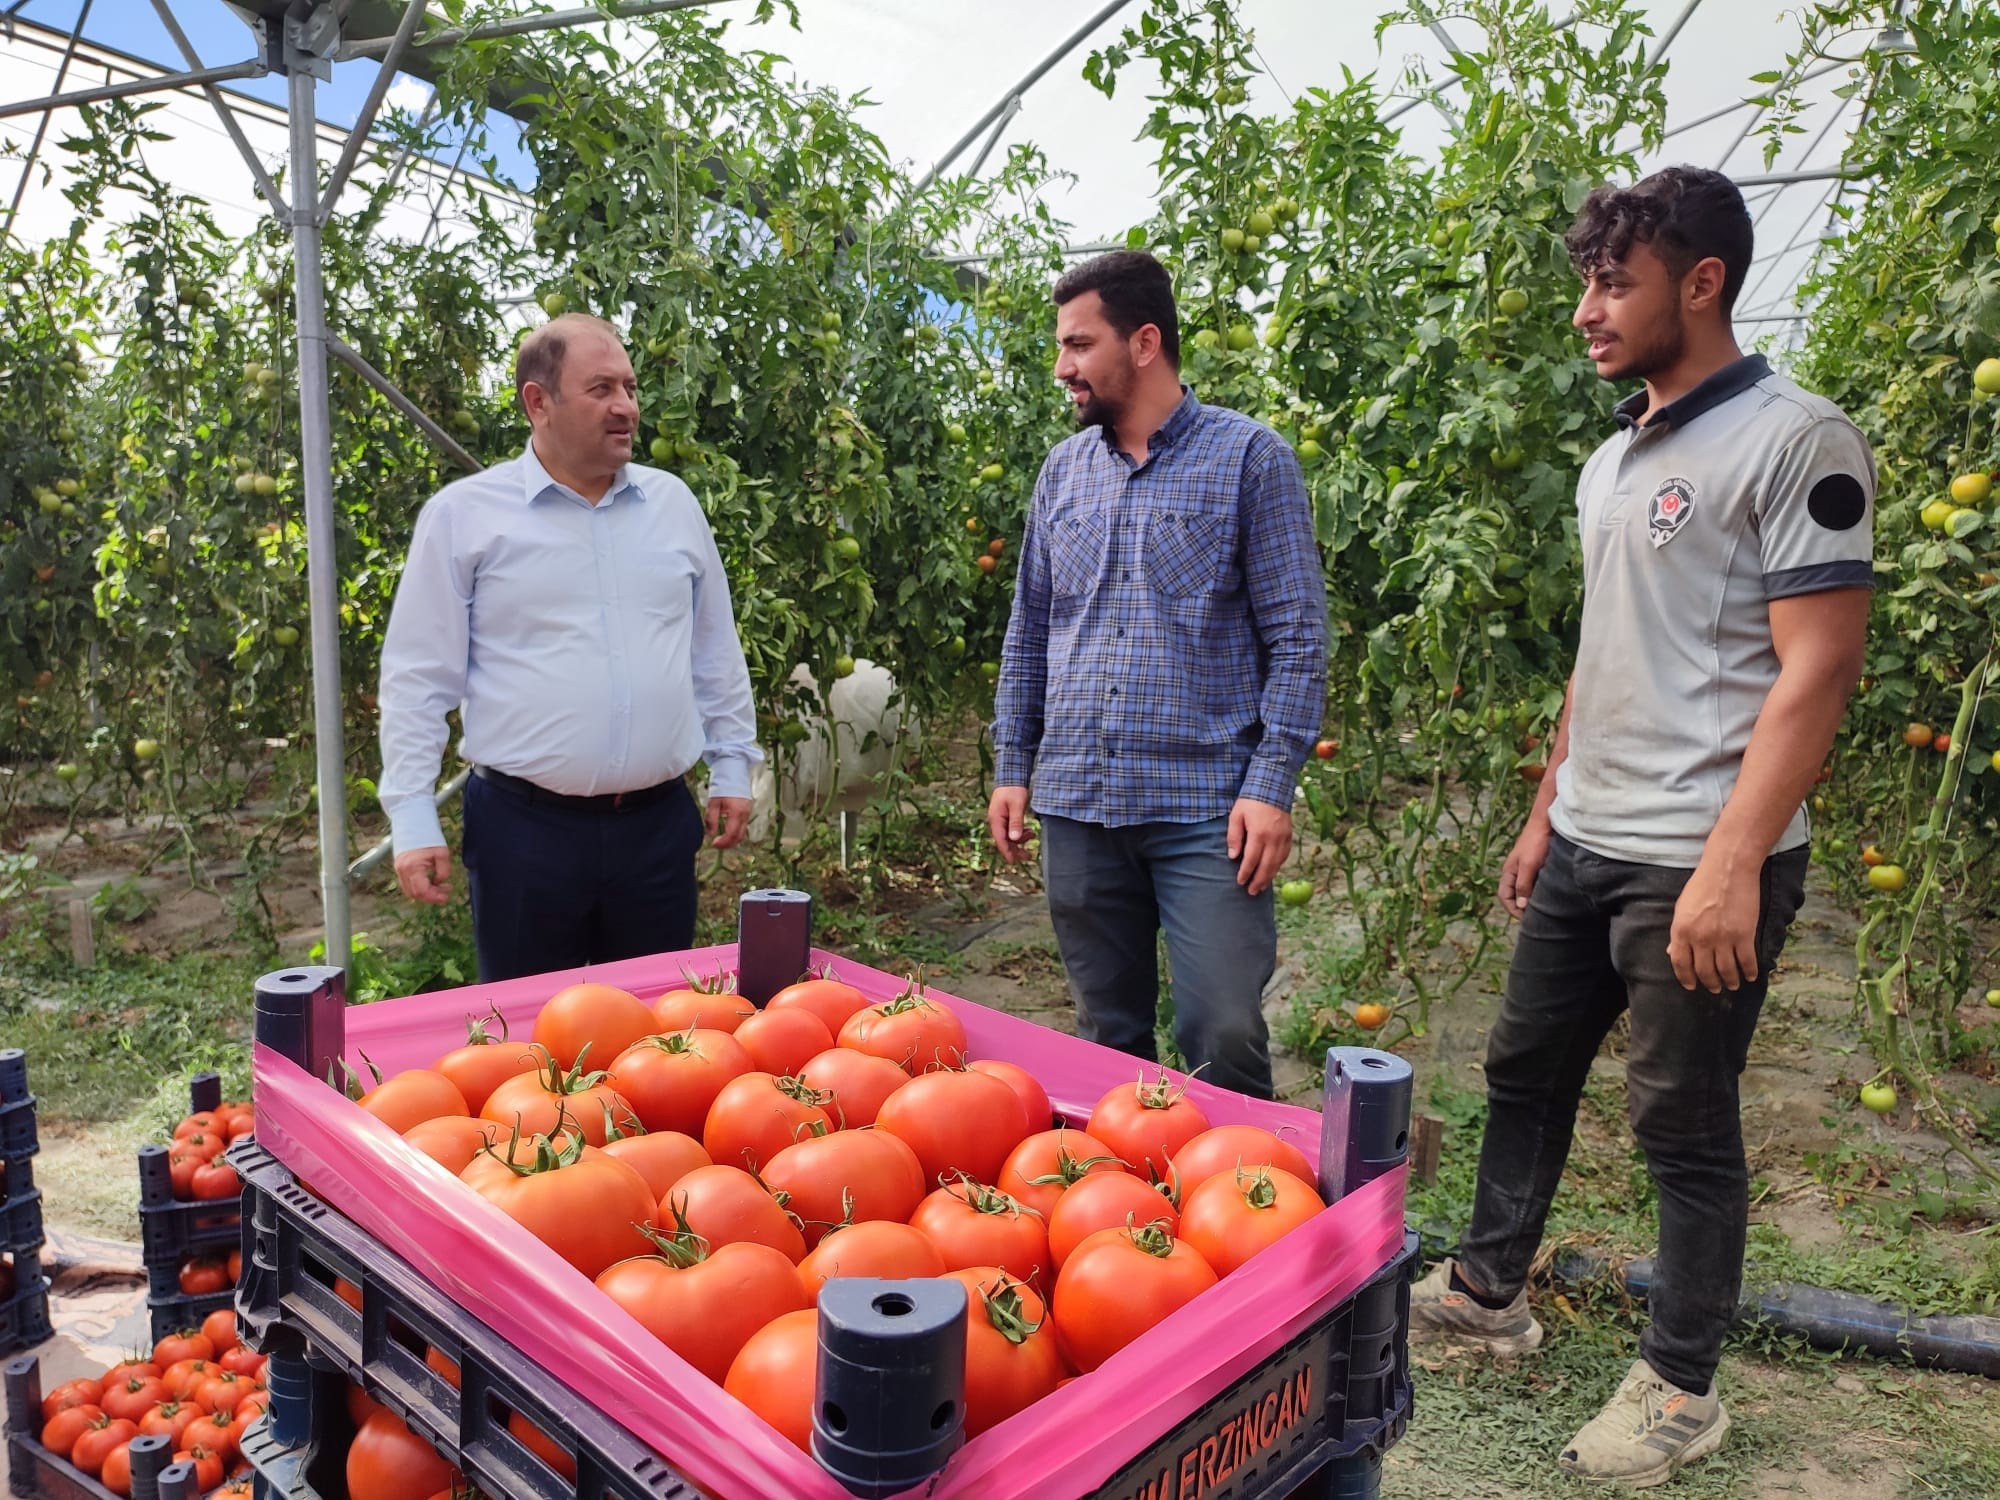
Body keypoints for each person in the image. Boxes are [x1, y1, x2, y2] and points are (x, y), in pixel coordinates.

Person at [1408, 167, 1875, 1488]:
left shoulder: (1795, 438)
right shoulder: (1613, 459)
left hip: (1698, 857)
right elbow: (1602, 649)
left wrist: (1732, 863)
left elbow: (1818, 668)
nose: (1586, 311)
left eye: (1615, 282)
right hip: (1592, 837)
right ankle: (1487, 1293)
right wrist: (1546, 802)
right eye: (1586, 282)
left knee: (1681, 1123)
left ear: (1702, 282)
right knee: (1522, 1070)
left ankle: (1680, 1388)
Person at [987, 250, 1327, 1100]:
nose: (1063, 367)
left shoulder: (1251, 459)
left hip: (1204, 807)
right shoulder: (1061, 474)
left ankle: (1245, 1210)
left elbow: (1297, 637)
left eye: (1078, 343)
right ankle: (1123, 1210)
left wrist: (1273, 783)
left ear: (1144, 343)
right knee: (1107, 1038)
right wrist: (1011, 764)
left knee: (1224, 1028)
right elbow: (1030, 629)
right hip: (1079, 798)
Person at [378, 313, 761, 981]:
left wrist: (732, 766)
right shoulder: (465, 517)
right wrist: (411, 816)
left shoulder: (673, 506)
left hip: (657, 827)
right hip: (525, 833)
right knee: (530, 1048)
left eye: (631, 388)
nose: (626, 408)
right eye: (602, 389)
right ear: (538, 402)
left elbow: (713, 651)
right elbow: (418, 678)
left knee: (658, 1035)